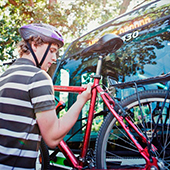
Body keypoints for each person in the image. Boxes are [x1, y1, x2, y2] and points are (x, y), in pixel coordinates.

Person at [0, 23, 92, 169]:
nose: (54, 58)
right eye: (52, 51)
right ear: (34, 44)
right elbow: (52, 137)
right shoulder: (38, 77)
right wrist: (81, 100)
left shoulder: (4, 77)